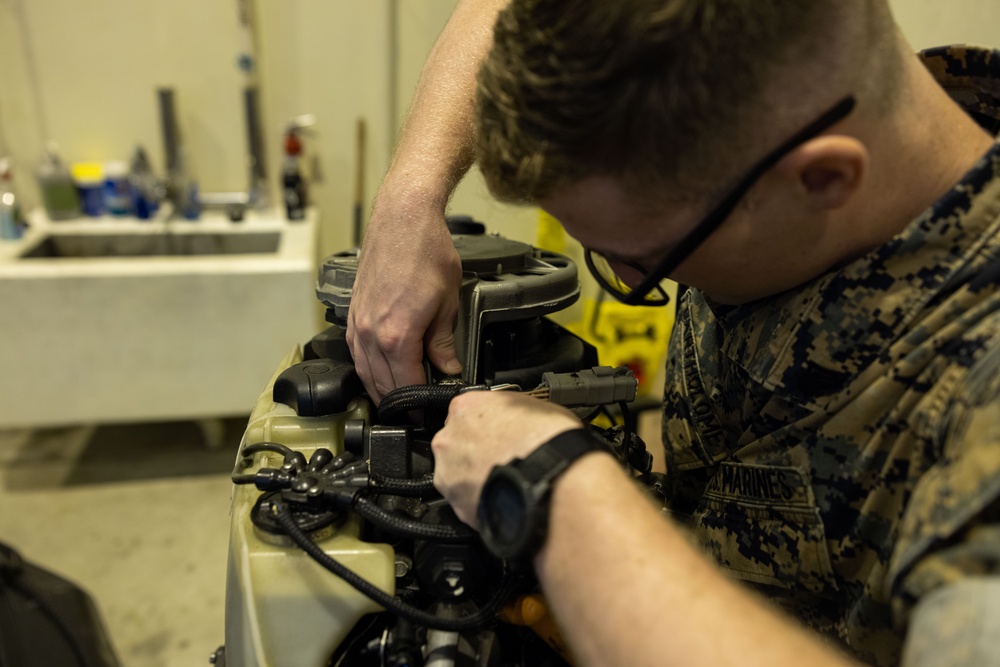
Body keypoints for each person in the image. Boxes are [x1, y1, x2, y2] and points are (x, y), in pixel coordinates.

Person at [353, 1, 1000, 665]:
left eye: (637, 264)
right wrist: (411, 196)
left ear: (821, 177)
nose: (622, 274)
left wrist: (560, 494)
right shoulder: (749, 150)